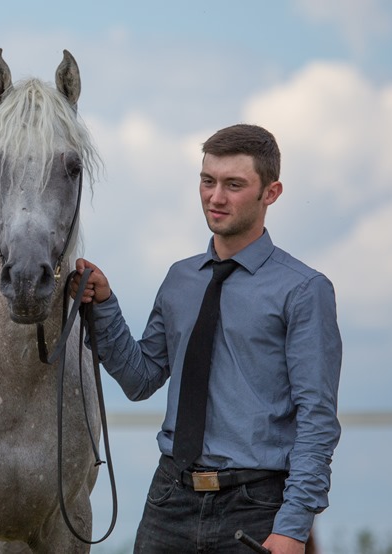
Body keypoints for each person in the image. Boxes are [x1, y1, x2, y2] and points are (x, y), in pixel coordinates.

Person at [71, 124, 341, 554]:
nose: (216, 197)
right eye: (207, 181)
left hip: (256, 504)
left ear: (270, 193)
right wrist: (103, 305)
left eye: (234, 185)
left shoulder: (304, 290)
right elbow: (141, 379)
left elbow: (317, 418)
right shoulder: (180, 279)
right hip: (169, 499)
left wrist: (293, 526)